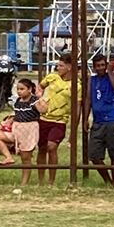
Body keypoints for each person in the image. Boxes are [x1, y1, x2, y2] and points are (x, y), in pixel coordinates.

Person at [37, 53, 78, 186]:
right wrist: (40, 97)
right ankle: (41, 179)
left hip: (60, 120)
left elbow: (77, 106)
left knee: (52, 146)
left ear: (69, 67)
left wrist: (74, 127)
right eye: (58, 65)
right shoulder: (52, 77)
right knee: (42, 148)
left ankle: (51, 180)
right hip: (44, 118)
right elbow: (40, 86)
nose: (58, 68)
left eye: (61, 65)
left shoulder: (76, 85)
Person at [86, 53, 114, 187]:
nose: (101, 68)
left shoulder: (111, 77)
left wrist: (110, 72)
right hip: (98, 121)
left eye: (103, 65)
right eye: (98, 66)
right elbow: (88, 100)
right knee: (95, 155)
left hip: (112, 120)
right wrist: (86, 118)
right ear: (94, 67)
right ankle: (107, 180)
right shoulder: (92, 80)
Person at [11, 79, 45, 186]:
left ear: (30, 89)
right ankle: (8, 156)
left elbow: (43, 110)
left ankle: (24, 182)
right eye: (18, 89)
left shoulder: (33, 100)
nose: (19, 91)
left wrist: (40, 98)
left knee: (26, 157)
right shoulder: (17, 101)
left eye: (22, 89)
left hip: (29, 128)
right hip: (17, 128)